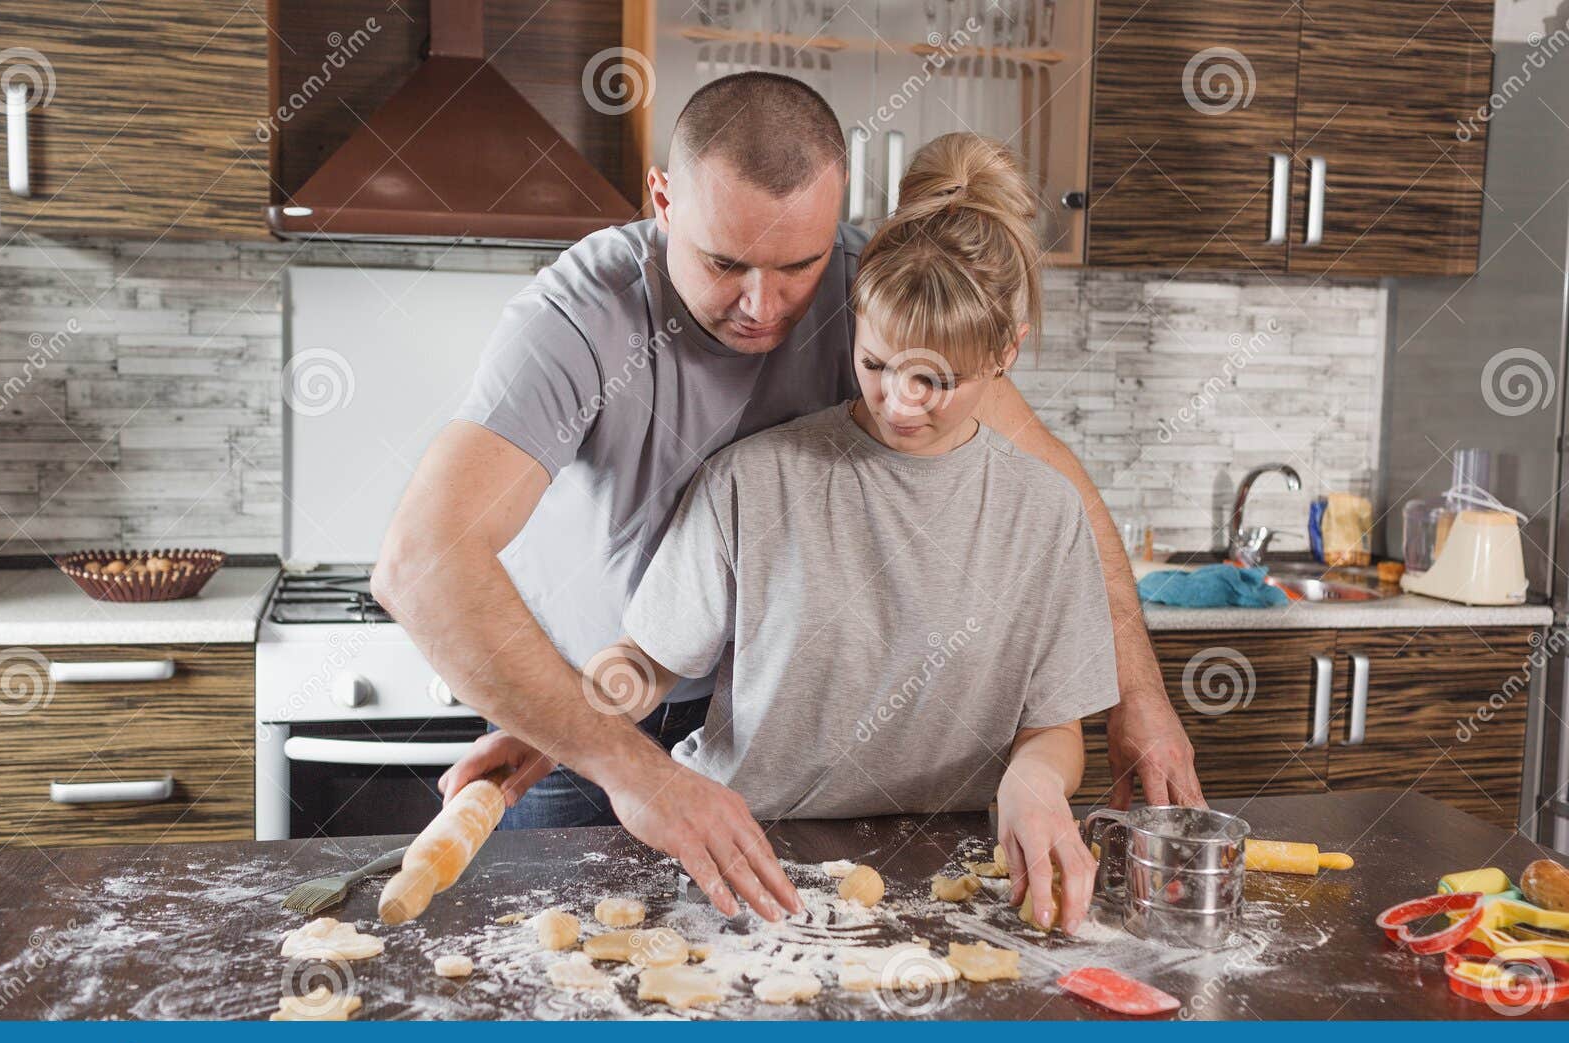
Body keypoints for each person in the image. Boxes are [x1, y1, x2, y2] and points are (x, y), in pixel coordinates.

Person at [373, 72, 1202, 924]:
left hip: (750, 726)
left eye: (798, 265)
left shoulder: (876, 290)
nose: (762, 307)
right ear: (662, 200)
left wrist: (1137, 698)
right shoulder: (584, 317)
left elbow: (1049, 485)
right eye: (724, 262)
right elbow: (421, 560)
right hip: (590, 702)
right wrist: (596, 739)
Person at [571, 132, 1116, 932]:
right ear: (855, 321)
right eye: (876, 364)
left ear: (1006, 352)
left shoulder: (1045, 512)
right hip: (749, 867)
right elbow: (647, 665)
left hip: (953, 878)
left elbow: (1053, 727)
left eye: (937, 380)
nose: (899, 402)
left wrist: (1035, 782)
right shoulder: (755, 480)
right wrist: (560, 718)